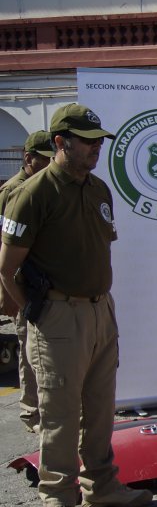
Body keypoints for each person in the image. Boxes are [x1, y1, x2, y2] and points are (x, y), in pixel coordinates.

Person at [0, 104, 152, 507]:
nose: (96, 147)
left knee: (101, 406)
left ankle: (101, 486)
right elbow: (7, 267)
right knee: (60, 414)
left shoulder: (98, 189)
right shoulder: (34, 192)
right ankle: (57, 500)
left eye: (99, 139)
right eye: (88, 140)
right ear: (61, 143)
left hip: (101, 308)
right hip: (59, 314)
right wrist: (38, 310)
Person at [0, 131, 54, 434]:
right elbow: (3, 245)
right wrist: (7, 293)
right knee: (29, 347)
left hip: (44, 282)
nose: (48, 163)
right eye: (42, 158)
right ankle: (31, 411)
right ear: (28, 157)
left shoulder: (46, 187)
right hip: (23, 283)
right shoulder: (14, 190)